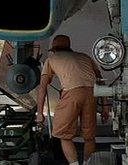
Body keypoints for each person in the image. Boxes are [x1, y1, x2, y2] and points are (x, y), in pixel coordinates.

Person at [35, 35, 108, 165]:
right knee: (89, 137)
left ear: (54, 49)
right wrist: (105, 107)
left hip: (72, 93)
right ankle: (87, 163)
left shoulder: (51, 59)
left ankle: (74, 164)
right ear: (69, 48)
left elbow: (42, 88)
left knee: (63, 134)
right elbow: (100, 81)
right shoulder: (85, 57)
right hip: (92, 93)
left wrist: (40, 113)